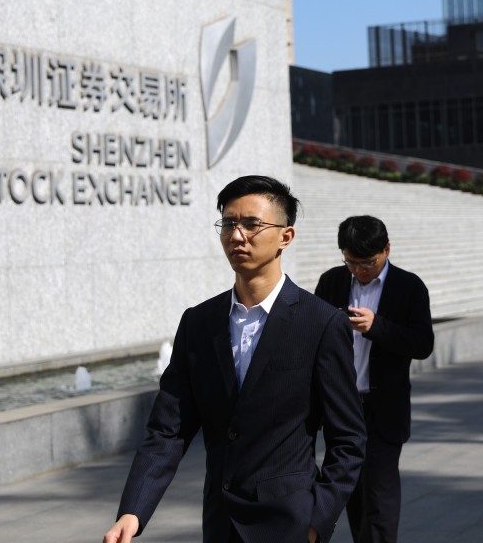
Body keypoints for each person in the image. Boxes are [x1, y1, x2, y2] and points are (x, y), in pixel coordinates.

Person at [104, 176, 366, 543]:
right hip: (219, 523)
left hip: (288, 524)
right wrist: (133, 510)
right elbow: (169, 428)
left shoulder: (320, 323)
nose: (236, 235)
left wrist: (315, 521)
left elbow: (348, 439)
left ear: (285, 237)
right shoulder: (199, 322)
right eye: (229, 223)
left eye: (251, 224)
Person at [314, 216, 434, 543]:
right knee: (351, 494)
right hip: (342, 409)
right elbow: (311, 338)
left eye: (367, 262)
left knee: (379, 497)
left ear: (386, 250)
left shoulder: (409, 287)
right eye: (351, 262)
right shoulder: (332, 283)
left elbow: (423, 344)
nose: (360, 270)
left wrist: (376, 326)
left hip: (383, 409)